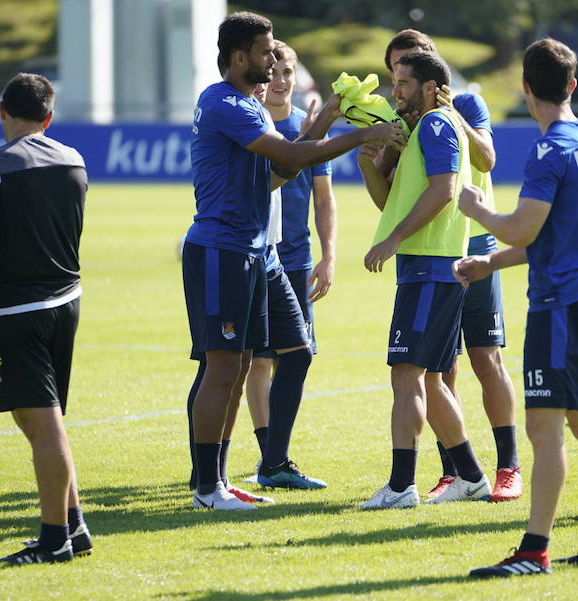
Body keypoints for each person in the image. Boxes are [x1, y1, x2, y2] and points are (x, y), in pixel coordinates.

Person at [185, 11, 404, 511]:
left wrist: (327, 118)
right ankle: (206, 488)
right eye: (265, 53)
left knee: (254, 361)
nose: (272, 60)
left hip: (258, 253)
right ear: (240, 57)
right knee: (223, 370)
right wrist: (361, 136)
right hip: (223, 250)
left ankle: (224, 479)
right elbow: (296, 158)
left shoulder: (249, 105)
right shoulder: (224, 104)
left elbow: (282, 166)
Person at [457, 38, 578, 577]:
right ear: (572, 85)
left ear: (526, 87)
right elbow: (553, 236)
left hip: (558, 305)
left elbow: (524, 226)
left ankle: (534, 549)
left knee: (545, 428)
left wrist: (478, 210)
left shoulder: (549, 151)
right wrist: (491, 264)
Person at [380, 29, 521, 503]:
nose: (396, 83)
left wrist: (449, 113)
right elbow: (394, 198)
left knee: (484, 357)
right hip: (435, 253)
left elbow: (484, 159)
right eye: (393, 71)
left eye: (406, 72)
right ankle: (459, 472)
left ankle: (506, 467)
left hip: (469, 246)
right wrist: (376, 157)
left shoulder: (455, 112)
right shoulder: (410, 122)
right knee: (439, 372)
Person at [357, 50, 490, 510]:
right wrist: (366, 168)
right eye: (395, 82)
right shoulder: (422, 128)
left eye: (405, 83)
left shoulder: (435, 125)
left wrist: (392, 239)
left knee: (407, 375)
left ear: (431, 87)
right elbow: (398, 199)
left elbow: (444, 188)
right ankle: (471, 478)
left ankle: (400, 486)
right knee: (431, 380)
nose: (396, 91)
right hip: (431, 268)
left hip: (430, 268)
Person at [0, 73, 91, 565]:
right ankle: (74, 524)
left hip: (15, 310)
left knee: (42, 425)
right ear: (49, 117)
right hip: (66, 301)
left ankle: (53, 541)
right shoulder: (74, 160)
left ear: (2, 111)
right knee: (41, 420)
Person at [242, 40, 337, 484]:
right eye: (274, 71)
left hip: (296, 260)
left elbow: (324, 200)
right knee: (258, 361)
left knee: (293, 356)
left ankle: (275, 456)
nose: (280, 80)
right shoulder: (253, 125)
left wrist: (329, 254)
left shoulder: (307, 124)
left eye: (288, 72)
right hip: (256, 257)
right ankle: (270, 455)